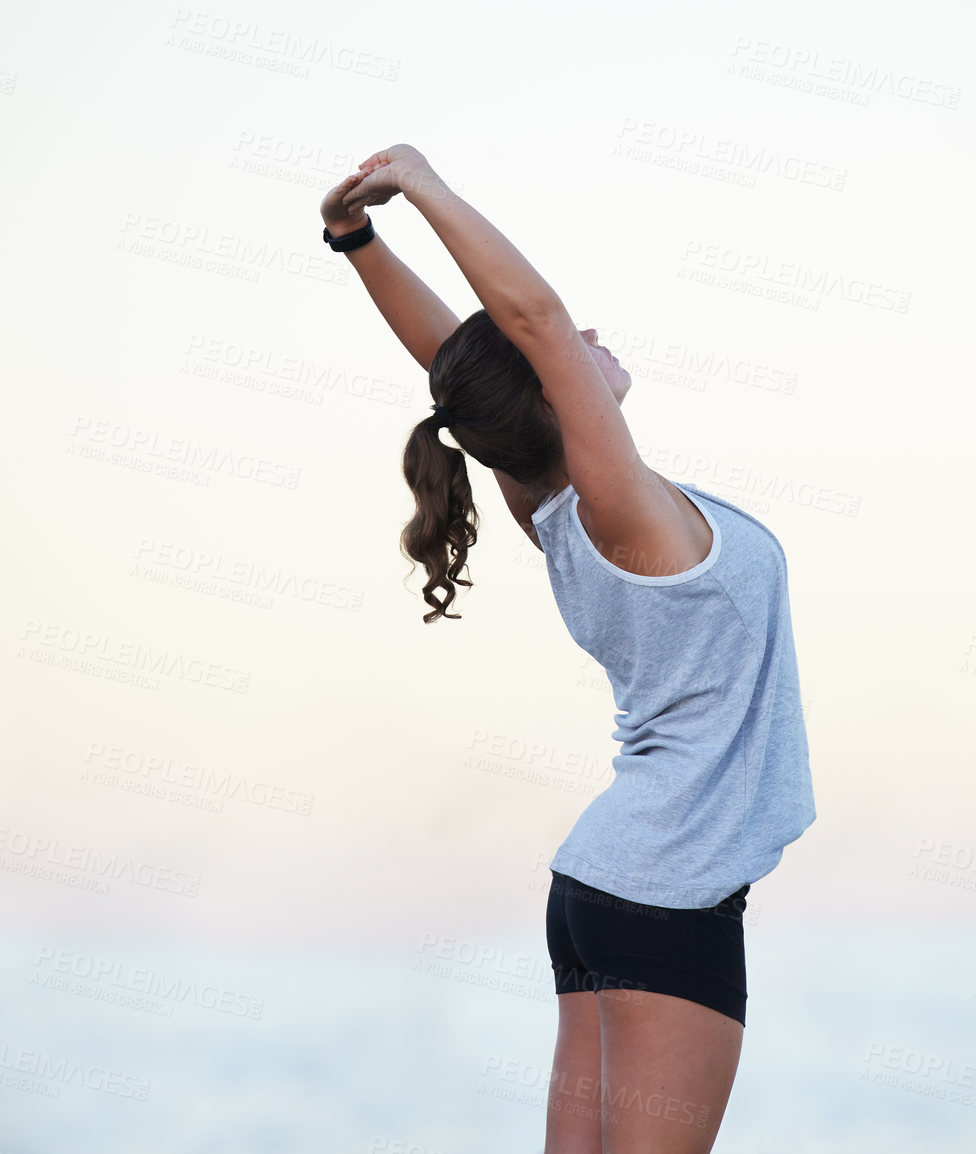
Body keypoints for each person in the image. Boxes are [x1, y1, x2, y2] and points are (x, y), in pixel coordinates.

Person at [322, 144, 815, 1154]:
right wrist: (423, 184)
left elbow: (460, 375)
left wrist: (356, 241)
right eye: (564, 354)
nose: (584, 334)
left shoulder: (554, 507)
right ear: (553, 395)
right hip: (666, 891)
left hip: (606, 885)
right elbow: (531, 327)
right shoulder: (618, 510)